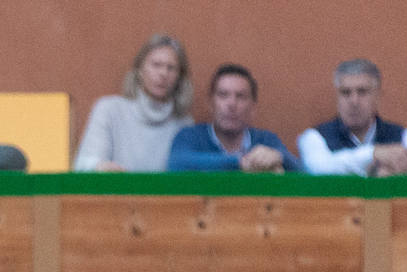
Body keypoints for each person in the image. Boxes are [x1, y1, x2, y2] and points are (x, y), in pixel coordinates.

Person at [297, 59, 407, 177]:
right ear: (337, 97)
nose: (354, 101)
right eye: (346, 93)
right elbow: (319, 169)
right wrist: (374, 154)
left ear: (377, 96)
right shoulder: (315, 137)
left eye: (362, 92)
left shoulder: (401, 135)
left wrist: (404, 162)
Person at [74, 33, 194, 172]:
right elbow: (84, 165)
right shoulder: (109, 110)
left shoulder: (184, 123)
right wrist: (102, 168)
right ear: (140, 70)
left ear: (180, 77)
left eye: (171, 67)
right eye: (156, 65)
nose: (163, 73)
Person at [167, 64, 300, 173]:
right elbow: (177, 162)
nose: (232, 104)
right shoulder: (191, 136)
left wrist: (279, 157)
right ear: (211, 104)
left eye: (240, 96)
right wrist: (239, 162)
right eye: (223, 95)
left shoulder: (265, 139)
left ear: (253, 107)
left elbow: (301, 170)